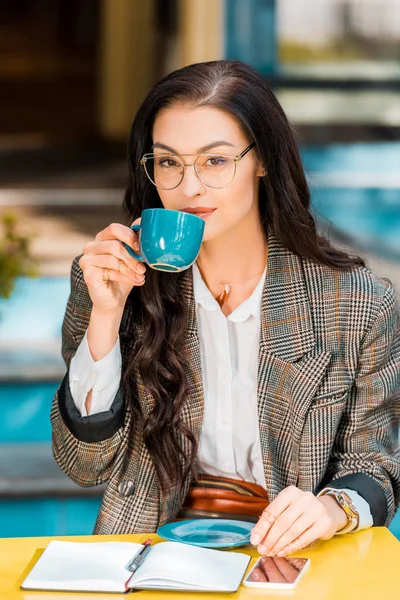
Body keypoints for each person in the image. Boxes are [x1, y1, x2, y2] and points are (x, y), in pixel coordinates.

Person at [51, 60, 400, 557]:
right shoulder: (115, 283)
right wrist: (106, 316)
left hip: (294, 555)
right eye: (169, 162)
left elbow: (379, 464)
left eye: (215, 161)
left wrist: (331, 508)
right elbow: (84, 465)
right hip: (153, 551)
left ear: (263, 161)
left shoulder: (356, 303)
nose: (189, 187)